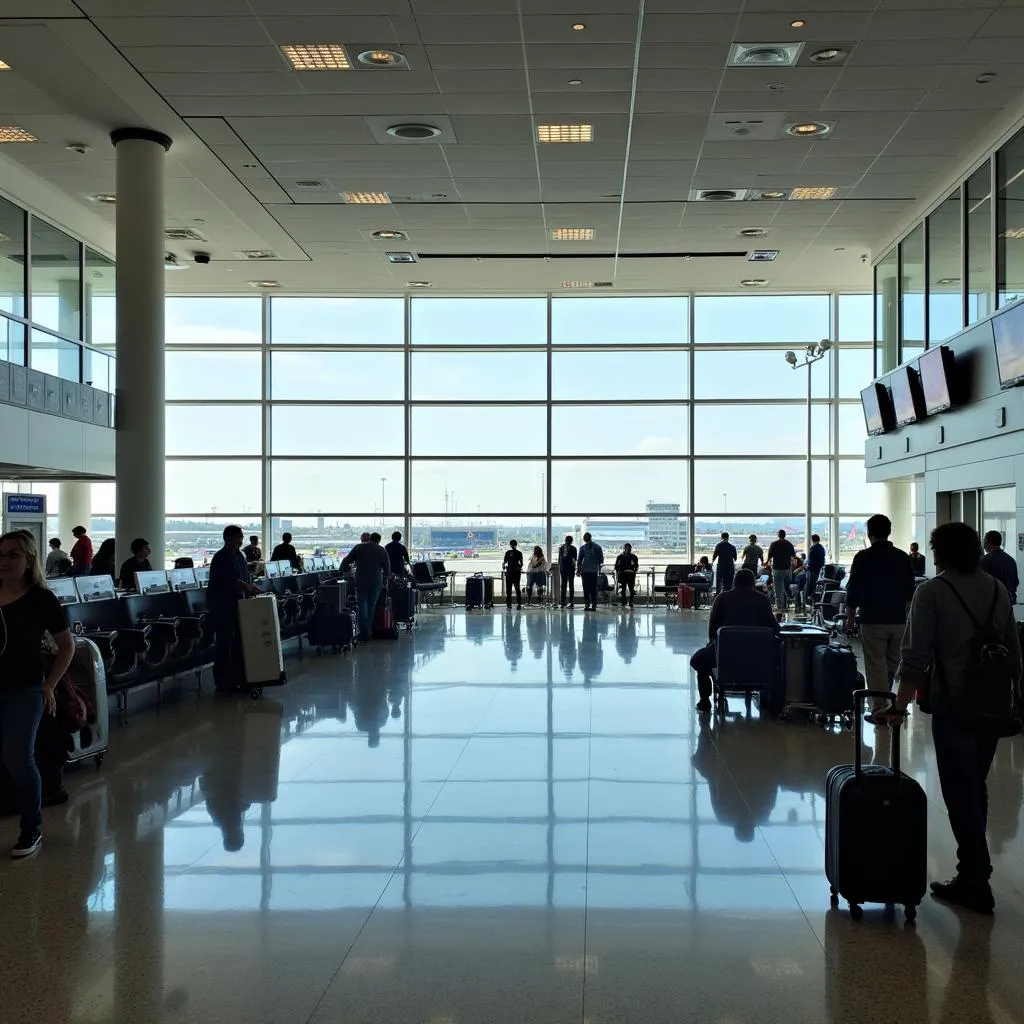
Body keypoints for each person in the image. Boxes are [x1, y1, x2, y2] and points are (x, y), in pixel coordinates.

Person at [893, 522, 1022, 914]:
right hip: (993, 701)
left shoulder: (932, 592)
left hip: (954, 704)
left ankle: (975, 878)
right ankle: (974, 871)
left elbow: (914, 657)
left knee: (958, 789)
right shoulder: (997, 589)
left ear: (940, 553)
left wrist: (898, 706)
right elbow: (1013, 648)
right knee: (976, 785)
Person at [0, 531, 75, 857]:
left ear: (29, 559)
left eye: (13, 555)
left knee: (19, 757)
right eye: (1, 555)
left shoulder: (40, 599)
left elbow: (66, 645)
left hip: (25, 688)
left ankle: (31, 828)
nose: (5, 561)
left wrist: (49, 685)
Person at [844, 514, 917, 723]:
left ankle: (879, 710)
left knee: (875, 665)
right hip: (898, 619)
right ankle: (888, 700)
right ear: (889, 532)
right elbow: (909, 591)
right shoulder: (903, 557)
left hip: (872, 619)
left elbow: (854, 589)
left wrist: (850, 616)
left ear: (869, 534)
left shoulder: (863, 557)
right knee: (892, 663)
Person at [689, 569, 778, 713]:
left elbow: (712, 631)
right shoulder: (762, 599)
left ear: (734, 582)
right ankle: (772, 699)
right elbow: (775, 628)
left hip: (725, 655)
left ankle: (705, 701)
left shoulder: (722, 598)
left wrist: (713, 644)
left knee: (698, 660)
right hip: (757, 656)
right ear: (753, 582)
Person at [208, 525, 263, 692]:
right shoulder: (220, 557)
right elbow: (230, 580)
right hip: (224, 606)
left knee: (240, 642)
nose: (241, 540)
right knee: (225, 642)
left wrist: (251, 588)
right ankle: (223, 682)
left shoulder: (240, 555)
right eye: (239, 537)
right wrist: (247, 587)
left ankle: (239, 677)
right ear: (228, 538)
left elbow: (244, 577)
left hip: (240, 604)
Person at [340, 534, 392, 642]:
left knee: (362, 605)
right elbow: (387, 568)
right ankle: (368, 630)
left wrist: (342, 570)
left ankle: (364, 633)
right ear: (378, 540)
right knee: (371, 606)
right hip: (376, 581)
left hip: (361, 580)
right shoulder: (381, 549)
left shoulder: (358, 547)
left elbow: (347, 560)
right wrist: (386, 581)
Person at [981, 530, 1018, 604]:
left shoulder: (984, 560)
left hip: (991, 603)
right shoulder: (1011, 560)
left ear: (988, 542)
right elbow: (1015, 582)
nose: (983, 544)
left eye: (984, 541)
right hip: (1007, 602)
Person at [766, 530, 796, 613]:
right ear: (785, 535)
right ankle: (788, 601)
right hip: (787, 569)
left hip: (777, 569)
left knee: (778, 590)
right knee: (786, 587)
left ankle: (780, 609)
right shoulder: (789, 544)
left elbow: (769, 556)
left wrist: (766, 562)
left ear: (778, 535)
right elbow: (794, 556)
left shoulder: (774, 544)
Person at [577, 532, 605, 613]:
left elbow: (601, 560)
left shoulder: (594, 547)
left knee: (590, 589)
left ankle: (590, 604)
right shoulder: (585, 548)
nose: (584, 538)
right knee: (589, 588)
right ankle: (590, 604)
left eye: (585, 537)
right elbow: (579, 560)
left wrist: (599, 570)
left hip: (590, 571)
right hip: (589, 571)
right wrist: (578, 570)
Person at [614, 543, 639, 608]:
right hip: (623, 575)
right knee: (623, 589)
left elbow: (636, 566)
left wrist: (633, 571)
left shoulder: (634, 557)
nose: (629, 550)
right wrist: (621, 571)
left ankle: (631, 602)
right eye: (627, 549)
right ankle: (623, 602)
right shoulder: (620, 557)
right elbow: (616, 566)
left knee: (631, 589)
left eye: (630, 549)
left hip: (631, 575)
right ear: (624, 548)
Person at [503, 539, 524, 610]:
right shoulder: (519, 553)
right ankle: (519, 604)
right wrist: (519, 568)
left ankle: (509, 605)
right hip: (516, 573)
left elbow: (504, 562)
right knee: (517, 588)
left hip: (509, 573)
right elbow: (521, 564)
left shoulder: (508, 552)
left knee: (509, 589)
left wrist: (504, 567)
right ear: (516, 545)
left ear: (510, 545)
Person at [806, 533, 826, 607]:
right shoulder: (821, 548)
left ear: (812, 540)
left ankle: (809, 602)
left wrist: (807, 567)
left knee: (810, 585)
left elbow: (810, 561)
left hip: (812, 570)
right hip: (819, 570)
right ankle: (816, 602)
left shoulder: (813, 548)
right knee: (816, 586)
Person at [557, 535, 578, 607]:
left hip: (568, 569)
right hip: (565, 569)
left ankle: (569, 602)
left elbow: (574, 559)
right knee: (565, 585)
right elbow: (559, 559)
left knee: (567, 585)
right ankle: (565, 602)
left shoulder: (571, 548)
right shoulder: (562, 548)